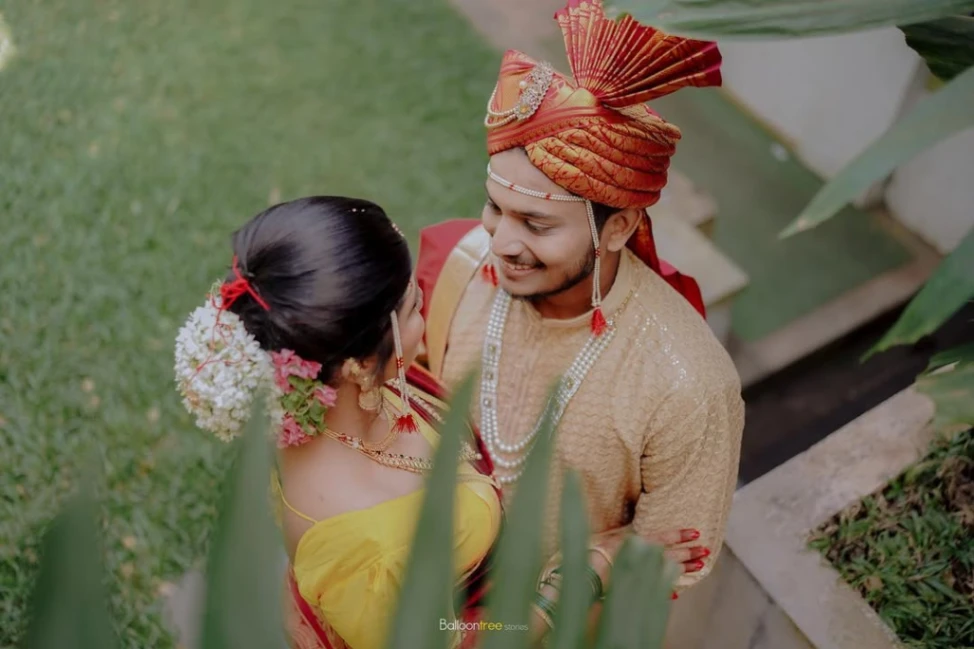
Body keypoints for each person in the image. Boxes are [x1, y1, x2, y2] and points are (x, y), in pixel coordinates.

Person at [173, 196, 710, 649]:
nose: (427, 300)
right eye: (410, 308)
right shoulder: (361, 547)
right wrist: (586, 572)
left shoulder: (319, 393)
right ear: (358, 362)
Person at [416, 0, 745, 596]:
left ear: (617, 228)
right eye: (495, 207)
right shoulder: (458, 269)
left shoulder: (687, 385)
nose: (502, 242)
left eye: (536, 225)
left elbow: (668, 564)